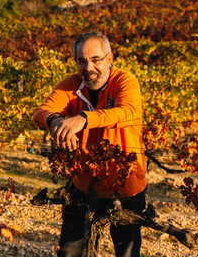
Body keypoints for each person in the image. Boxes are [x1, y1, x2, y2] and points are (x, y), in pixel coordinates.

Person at [32, 31, 146, 257]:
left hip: (124, 186)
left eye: (96, 60)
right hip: (83, 183)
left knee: (127, 253)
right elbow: (40, 112)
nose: (89, 67)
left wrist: (83, 118)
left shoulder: (125, 82)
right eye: (82, 61)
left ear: (109, 58)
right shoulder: (71, 85)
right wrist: (55, 120)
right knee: (69, 252)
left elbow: (126, 112)